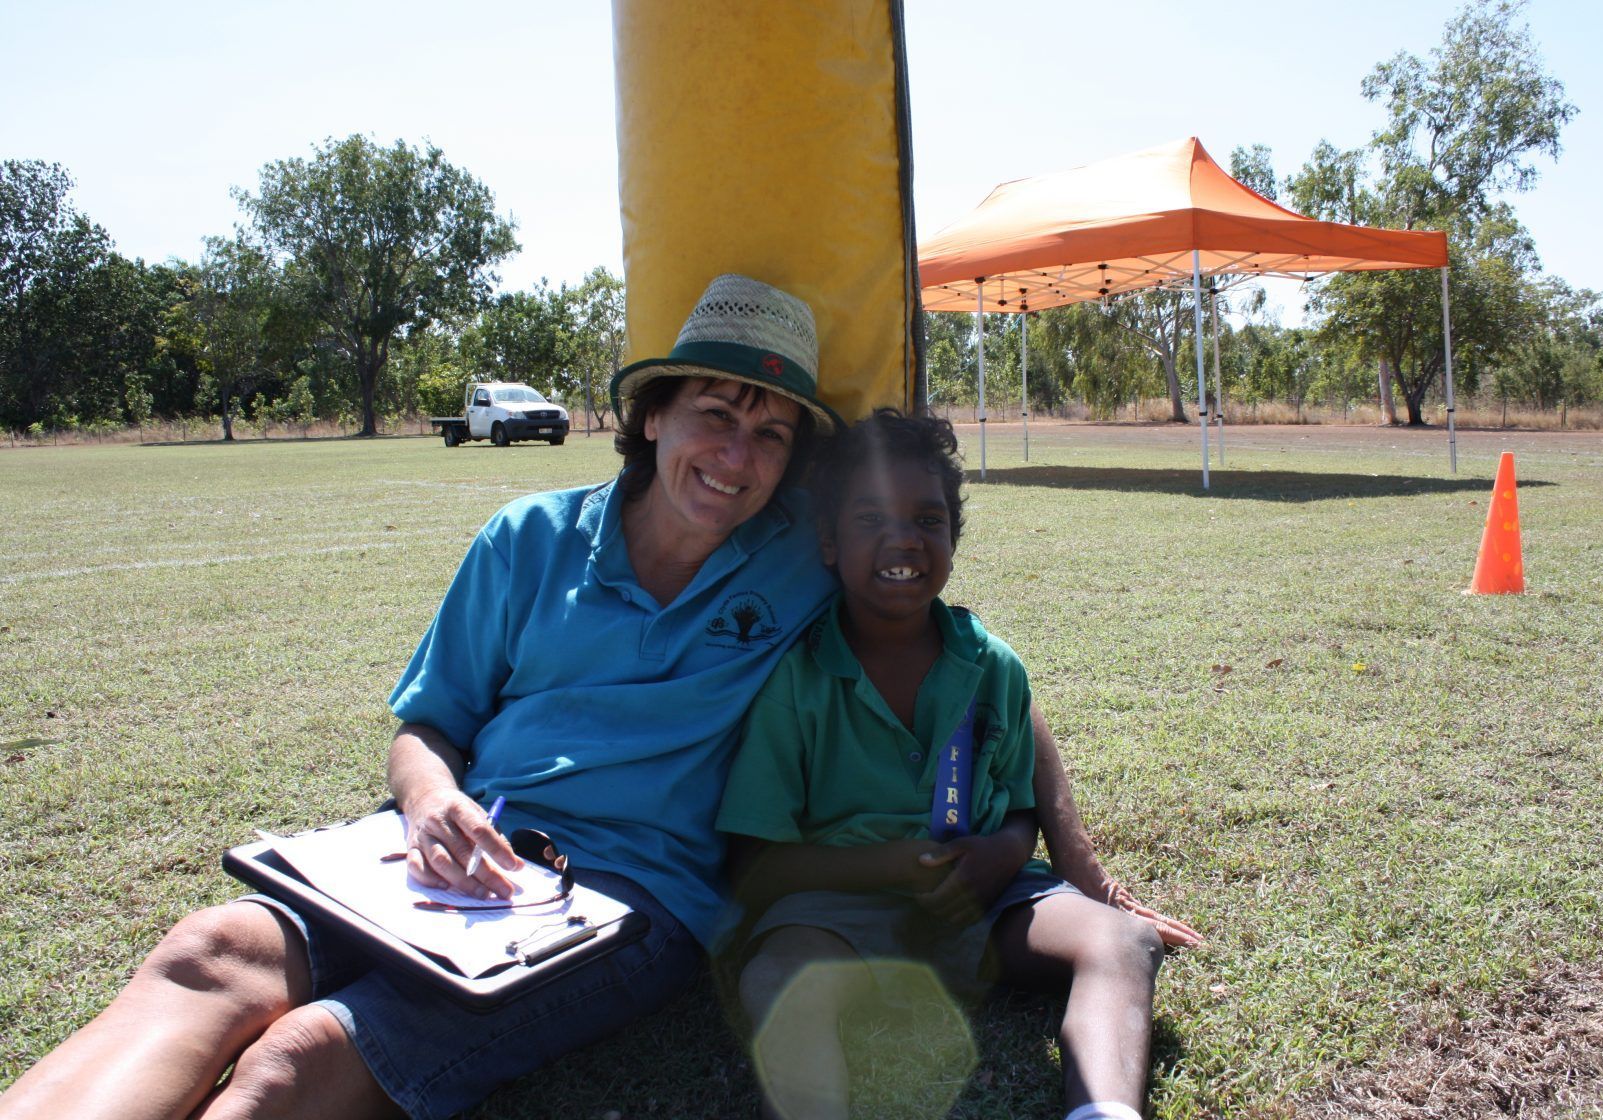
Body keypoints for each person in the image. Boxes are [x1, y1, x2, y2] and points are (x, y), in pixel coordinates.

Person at [1, 276, 1186, 1120]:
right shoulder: (525, 537)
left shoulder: (801, 554)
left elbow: (976, 665)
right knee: (209, 951)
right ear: (653, 413)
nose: (737, 453)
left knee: (296, 1059)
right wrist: (427, 805)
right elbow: (427, 723)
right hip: (432, 862)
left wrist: (1081, 868)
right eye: (715, 413)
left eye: (773, 432)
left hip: (624, 903)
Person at [721, 410, 1176, 1120]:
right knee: (775, 974)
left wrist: (1000, 852)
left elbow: (1022, 806)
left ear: (953, 539)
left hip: (991, 906)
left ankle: (1104, 1110)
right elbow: (755, 866)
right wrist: (891, 867)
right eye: (870, 517)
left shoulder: (993, 667)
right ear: (830, 543)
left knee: (1124, 941)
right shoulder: (797, 682)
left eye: (928, 519)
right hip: (838, 918)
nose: (903, 538)